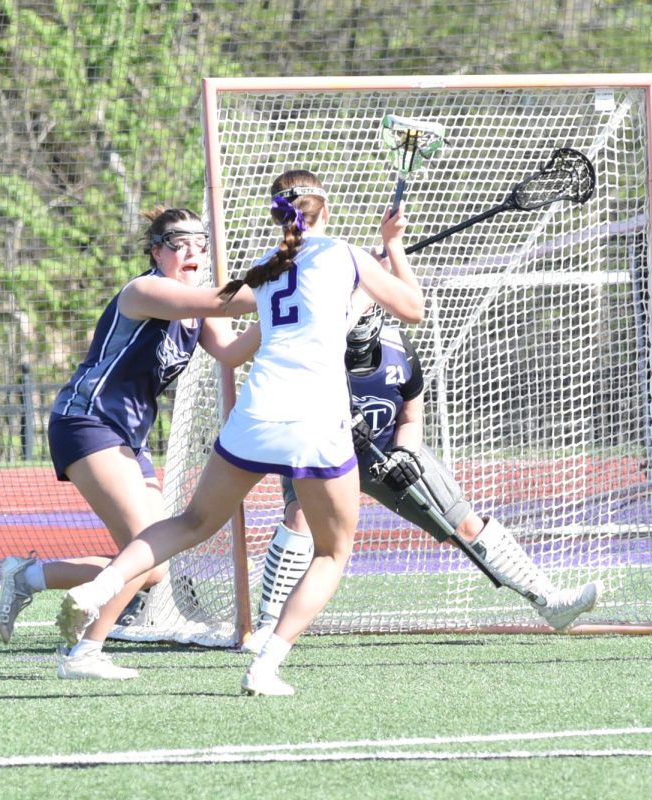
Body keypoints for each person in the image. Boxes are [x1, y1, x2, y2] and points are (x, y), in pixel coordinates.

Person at [54, 169, 425, 696]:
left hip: (255, 415)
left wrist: (355, 286)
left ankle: (105, 586)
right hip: (316, 419)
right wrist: (391, 249)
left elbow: (273, 329)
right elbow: (413, 308)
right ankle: (265, 666)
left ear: (279, 213)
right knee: (331, 552)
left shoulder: (266, 270)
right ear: (327, 207)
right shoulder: (344, 254)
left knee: (191, 521)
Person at [243, 299, 602, 654]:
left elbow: (411, 416)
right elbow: (287, 402)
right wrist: (331, 423)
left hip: (386, 447)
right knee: (300, 517)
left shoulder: (400, 349)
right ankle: (268, 626)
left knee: (466, 525)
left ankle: (550, 603)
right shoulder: (311, 348)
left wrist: (403, 454)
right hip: (319, 452)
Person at [0, 206, 260, 680]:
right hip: (87, 421)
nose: (193, 251)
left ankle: (30, 576)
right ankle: (83, 654)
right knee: (144, 547)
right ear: (157, 251)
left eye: (201, 242)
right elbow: (226, 302)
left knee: (152, 566)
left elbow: (234, 351)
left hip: (128, 438)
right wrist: (294, 284)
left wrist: (293, 312)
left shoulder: (198, 309)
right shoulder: (145, 290)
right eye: (180, 243)